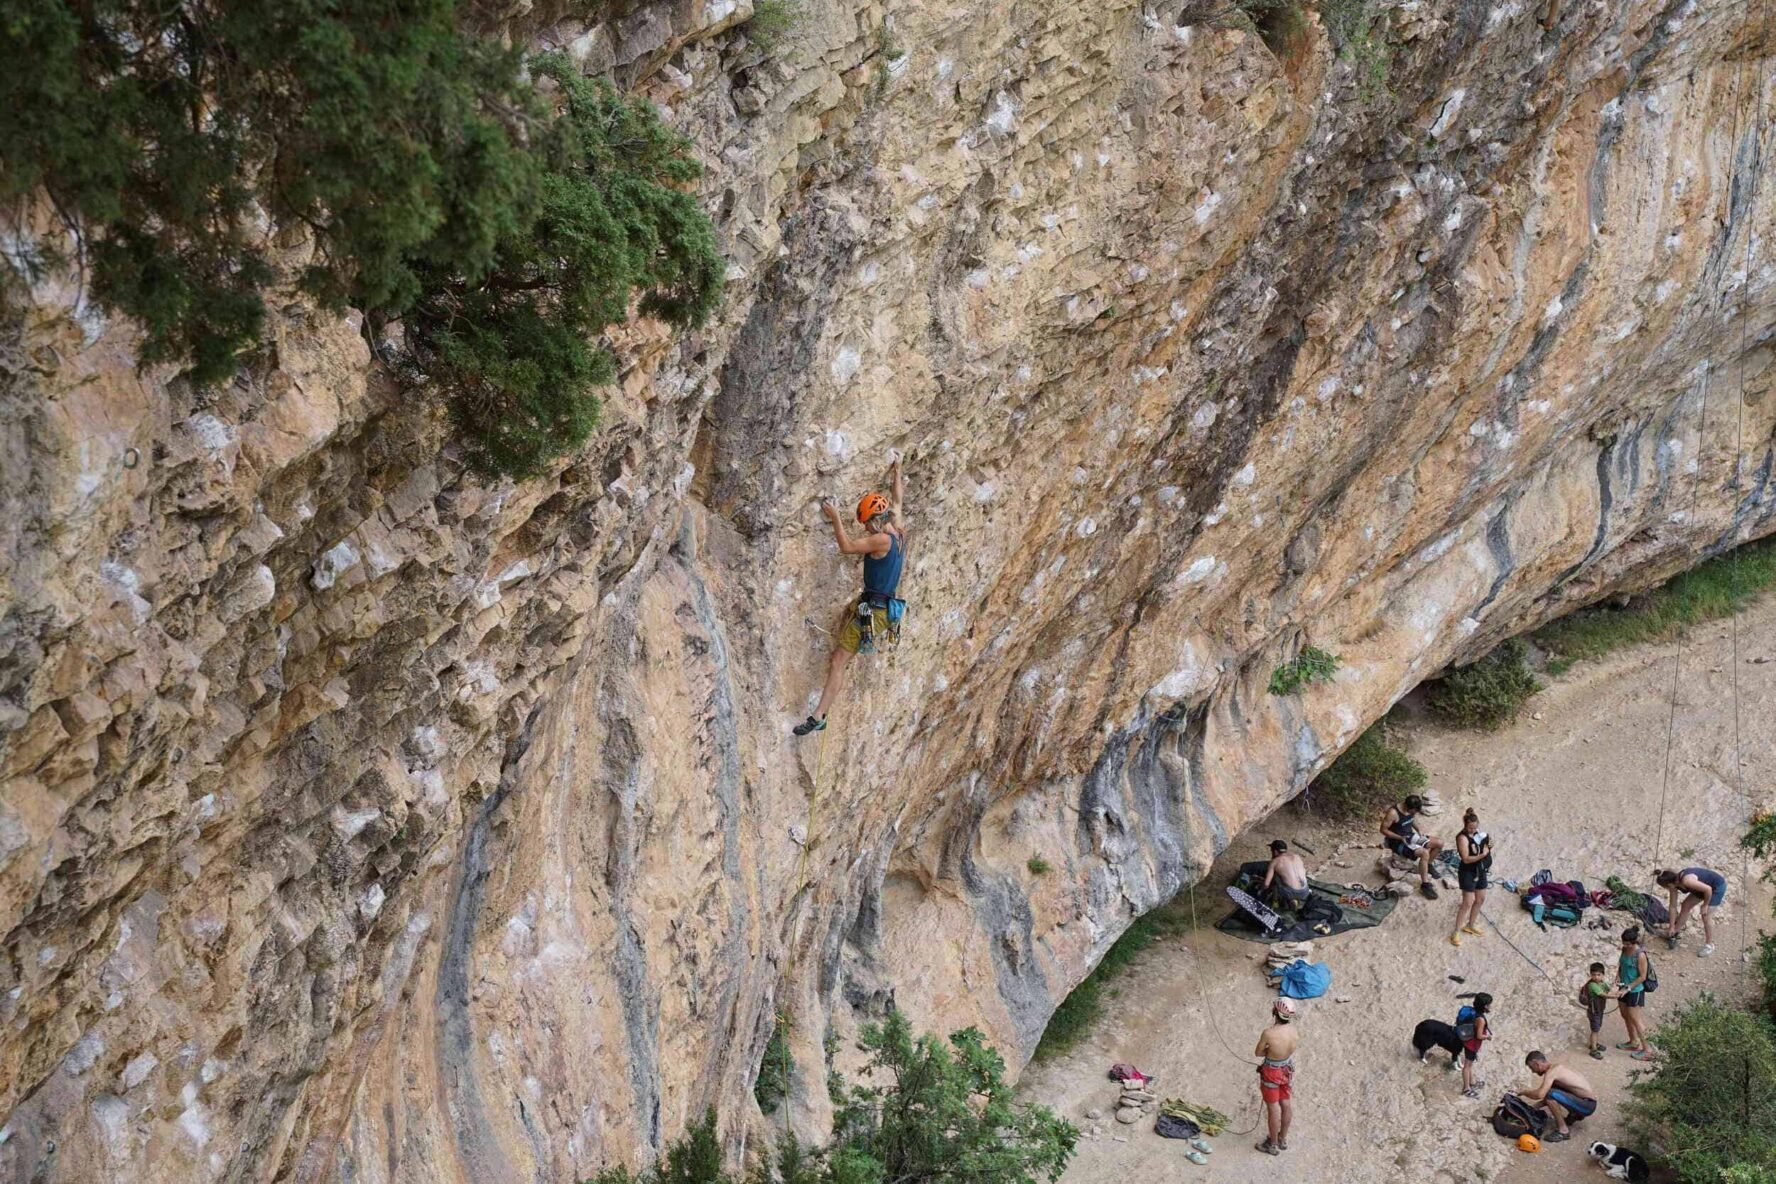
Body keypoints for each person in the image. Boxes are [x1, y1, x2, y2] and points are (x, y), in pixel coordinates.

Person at [793, 458, 907, 737]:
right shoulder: (899, 531)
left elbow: (846, 546)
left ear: (875, 520)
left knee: (838, 661)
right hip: (881, 607)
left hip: (875, 609)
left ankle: (819, 716)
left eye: (867, 523)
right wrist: (898, 470)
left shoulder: (881, 540)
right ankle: (823, 707)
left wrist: (835, 518)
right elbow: (899, 500)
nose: (866, 529)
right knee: (842, 651)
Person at [1253, 998, 1300, 1156]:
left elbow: (1258, 1052)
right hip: (1286, 1069)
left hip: (1272, 1072)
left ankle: (1271, 1144)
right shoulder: (1294, 1031)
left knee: (1273, 1108)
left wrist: (1269, 1052)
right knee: (1285, 1103)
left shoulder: (1269, 1033)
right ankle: (1282, 1139)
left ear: (1275, 1012)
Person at [1520, 1051, 1598, 1142]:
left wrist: (1523, 1092)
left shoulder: (1552, 1072)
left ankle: (1563, 1131)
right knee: (1551, 1090)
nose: (1533, 1071)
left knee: (1550, 1093)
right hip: (1586, 1102)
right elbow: (1545, 1098)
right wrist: (1531, 1108)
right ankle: (1575, 1115)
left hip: (1587, 1106)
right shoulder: (1558, 1068)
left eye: (1531, 1067)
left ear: (1536, 1063)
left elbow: (1540, 1095)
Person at [1379, 794, 1443, 899]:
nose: (1415, 813)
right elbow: (1383, 830)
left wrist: (1418, 830)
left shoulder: (1410, 810)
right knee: (1424, 853)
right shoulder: (1393, 813)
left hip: (1410, 836)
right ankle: (1425, 885)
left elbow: (1410, 820)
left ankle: (1428, 865)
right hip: (1397, 842)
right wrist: (1400, 837)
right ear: (1408, 807)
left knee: (1439, 843)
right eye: (1414, 811)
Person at [1655, 866, 1725, 957]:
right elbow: (1673, 906)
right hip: (1701, 889)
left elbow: (1708, 889)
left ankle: (1709, 945)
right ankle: (1675, 932)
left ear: (1669, 885)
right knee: (1685, 906)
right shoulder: (1674, 885)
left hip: (1716, 887)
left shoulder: (1686, 881)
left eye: (1664, 887)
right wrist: (1672, 926)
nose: (1666, 889)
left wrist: (1705, 905)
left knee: (1706, 915)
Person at [1449, 809, 1492, 946]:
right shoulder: (1462, 837)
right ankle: (1456, 931)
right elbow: (1466, 859)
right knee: (1467, 902)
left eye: (1475, 827)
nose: (1473, 830)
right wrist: (1483, 855)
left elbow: (1484, 847)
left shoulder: (1479, 834)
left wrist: (1489, 846)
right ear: (1465, 825)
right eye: (1470, 828)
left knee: (1480, 899)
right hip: (1468, 871)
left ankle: (1471, 925)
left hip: (1480, 870)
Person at [1614, 927, 1653, 1060]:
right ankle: (1633, 1041)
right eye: (1624, 943)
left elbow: (1642, 976)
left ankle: (1648, 1049)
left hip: (1635, 990)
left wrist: (1628, 987)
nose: (1625, 946)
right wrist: (1618, 977)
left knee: (1636, 1019)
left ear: (1633, 942)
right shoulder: (1625, 950)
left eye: (1628, 944)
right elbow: (1621, 964)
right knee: (1625, 1015)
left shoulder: (1640, 955)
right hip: (1623, 986)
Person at [1455, 992, 1492, 1098]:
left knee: (1469, 1065)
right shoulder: (1480, 1019)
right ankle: (1466, 1089)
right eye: (1489, 1004)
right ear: (1485, 1006)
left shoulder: (1474, 1012)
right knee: (1467, 1066)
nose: (1490, 1006)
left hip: (1468, 1041)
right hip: (1472, 1045)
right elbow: (1479, 1035)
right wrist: (1487, 1037)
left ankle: (1472, 1083)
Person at [1262, 840, 1312, 913]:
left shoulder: (1275, 861)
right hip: (1305, 890)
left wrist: (1261, 887)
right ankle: (1295, 900)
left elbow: (1266, 884)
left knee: (1276, 875)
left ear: (1275, 851)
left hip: (1291, 892)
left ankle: (1281, 900)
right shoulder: (1296, 856)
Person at [1577, 962, 1613, 1060]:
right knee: (1595, 1030)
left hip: (1599, 1010)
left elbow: (1608, 989)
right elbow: (1603, 994)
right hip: (1594, 1011)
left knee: (1597, 1028)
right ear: (1590, 975)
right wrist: (1615, 996)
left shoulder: (1602, 983)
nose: (1596, 977)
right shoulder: (1592, 985)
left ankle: (1594, 1043)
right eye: (1594, 975)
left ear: (1603, 975)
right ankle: (1593, 1049)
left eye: (1598, 975)